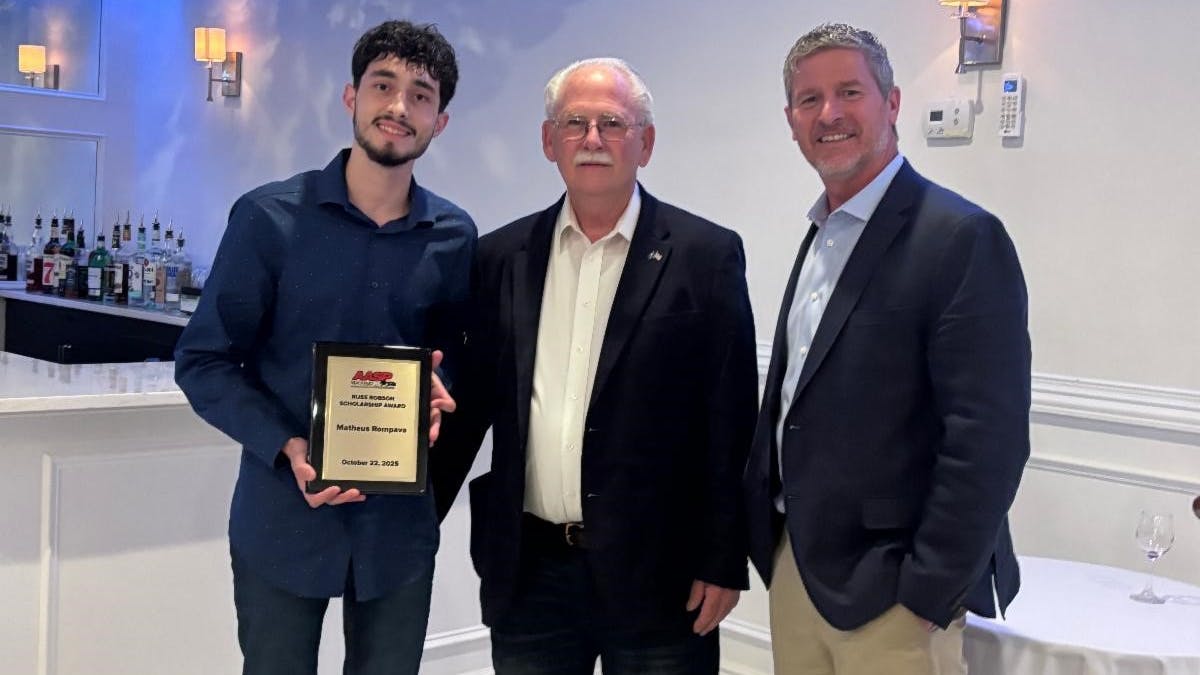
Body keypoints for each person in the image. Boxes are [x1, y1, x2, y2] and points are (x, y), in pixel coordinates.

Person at [432, 57, 759, 674]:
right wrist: (411, 510)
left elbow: (731, 419)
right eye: (574, 122)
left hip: (662, 575)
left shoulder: (705, 256)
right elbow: (469, 405)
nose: (592, 138)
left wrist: (724, 558)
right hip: (531, 576)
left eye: (612, 123)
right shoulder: (499, 257)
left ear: (646, 143)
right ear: (548, 140)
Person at [174, 20, 474, 675]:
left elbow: (451, 358)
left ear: (440, 121)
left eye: (421, 95)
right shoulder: (269, 218)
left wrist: (438, 392)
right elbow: (204, 361)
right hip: (283, 515)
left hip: (397, 528)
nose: (399, 106)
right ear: (351, 97)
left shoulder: (454, 236)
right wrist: (287, 446)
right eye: (383, 86)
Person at [742, 23, 1031, 675]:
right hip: (798, 570)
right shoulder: (822, 233)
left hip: (895, 599)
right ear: (791, 121)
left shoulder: (960, 237)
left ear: (892, 103)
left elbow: (989, 435)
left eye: (849, 92)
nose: (829, 113)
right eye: (809, 99)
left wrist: (930, 588)